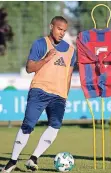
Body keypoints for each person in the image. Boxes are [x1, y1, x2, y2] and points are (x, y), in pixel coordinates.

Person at [2, 16, 76, 173]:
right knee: (28, 125)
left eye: (64, 30)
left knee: (55, 127)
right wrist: (46, 58)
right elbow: (29, 68)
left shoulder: (71, 51)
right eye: (59, 29)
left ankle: (33, 158)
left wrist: (65, 95)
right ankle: (12, 161)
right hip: (39, 90)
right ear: (51, 27)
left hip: (59, 96)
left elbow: (69, 76)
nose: (62, 33)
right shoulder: (41, 44)